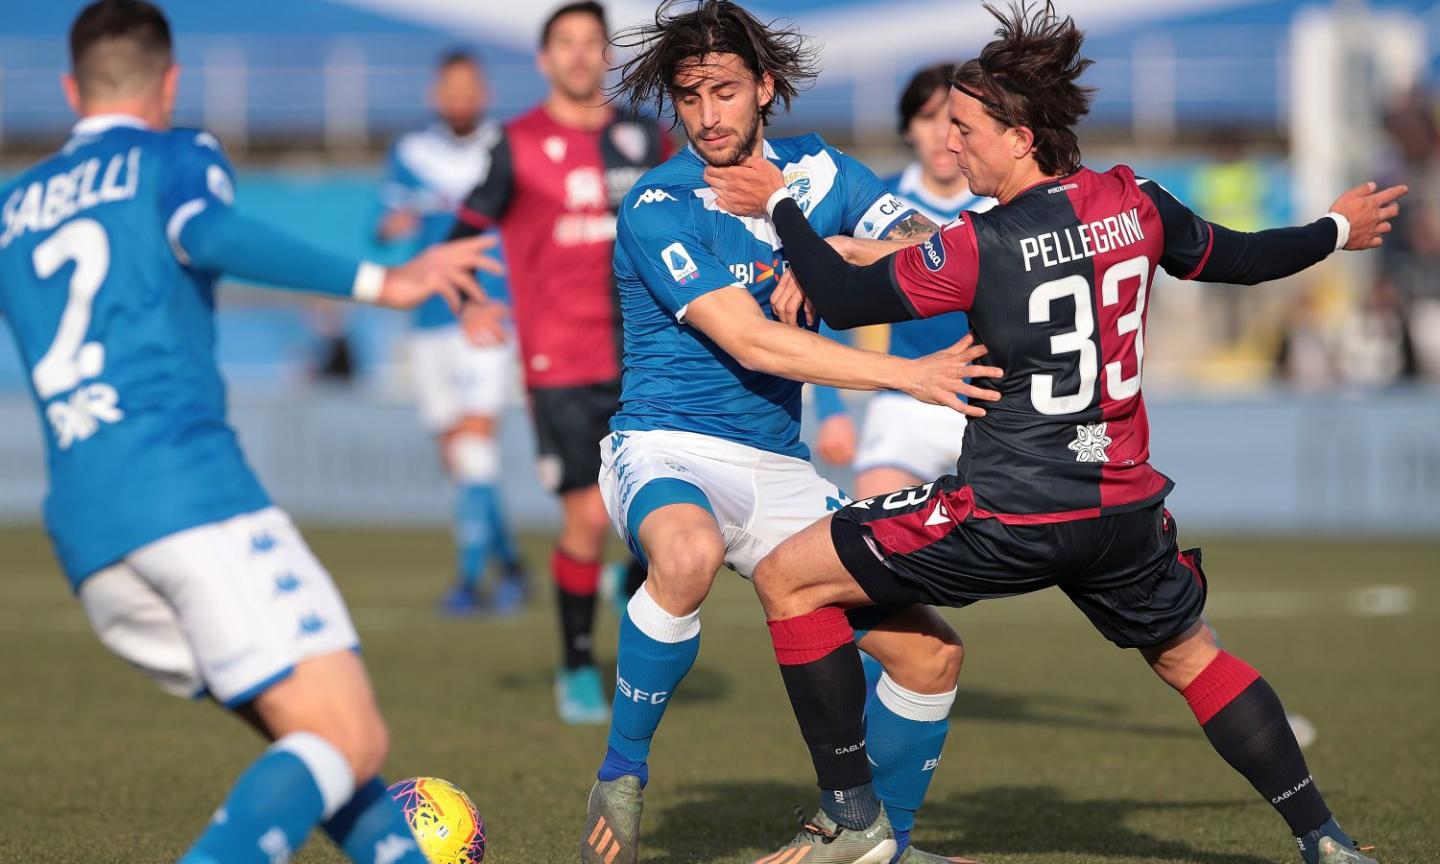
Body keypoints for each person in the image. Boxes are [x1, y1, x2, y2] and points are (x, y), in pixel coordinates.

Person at [704, 3, 1404, 863]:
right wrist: (1335, 229)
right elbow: (1244, 257)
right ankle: (1325, 840)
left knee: (787, 577)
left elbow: (844, 307)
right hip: (1121, 515)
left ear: (1021, 136)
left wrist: (781, 207)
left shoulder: (979, 242)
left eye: (963, 129)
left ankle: (853, 821)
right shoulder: (1135, 201)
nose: (950, 147)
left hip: (1008, 511)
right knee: (1193, 659)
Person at [0, 3, 499, 862]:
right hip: (188, 498)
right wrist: (388, 282)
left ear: (69, 88)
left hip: (87, 532)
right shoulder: (175, 154)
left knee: (314, 733)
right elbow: (208, 232)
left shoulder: (13, 207)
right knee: (351, 736)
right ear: (171, 83)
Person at [551, 3, 1002, 863]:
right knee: (680, 557)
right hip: (667, 445)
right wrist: (908, 374)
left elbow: (941, 250)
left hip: (779, 466)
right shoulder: (658, 203)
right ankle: (621, 772)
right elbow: (751, 338)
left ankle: (882, 847)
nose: (708, 114)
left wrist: (821, 242)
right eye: (689, 96)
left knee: (929, 659)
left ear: (764, 88)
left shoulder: (818, 174)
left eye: (723, 91)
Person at [445, 1, 670, 725]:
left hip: (649, 356)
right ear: (543, 61)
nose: (579, 56)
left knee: (671, 521)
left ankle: (620, 583)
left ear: (606, 56)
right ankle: (577, 667)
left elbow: (698, 215)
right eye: (564, 44)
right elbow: (460, 236)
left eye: (591, 43)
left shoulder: (645, 138)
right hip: (561, 361)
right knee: (584, 517)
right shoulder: (515, 144)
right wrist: (471, 304)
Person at [377, 49, 526, 616]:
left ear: (482, 93)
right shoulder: (411, 153)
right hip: (430, 318)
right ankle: (509, 563)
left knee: (473, 440)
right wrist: (395, 225)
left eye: (470, 87)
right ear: (435, 95)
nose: (461, 97)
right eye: (451, 88)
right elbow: (384, 222)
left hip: (488, 312)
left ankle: (470, 582)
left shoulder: (505, 148)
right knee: (458, 455)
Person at [811, 62, 997, 499]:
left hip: (990, 397)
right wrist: (829, 407)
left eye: (954, 120)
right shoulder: (875, 204)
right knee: (870, 524)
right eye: (927, 118)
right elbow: (825, 297)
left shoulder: (1001, 203)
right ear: (908, 127)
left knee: (1017, 540)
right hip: (906, 396)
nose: (940, 134)